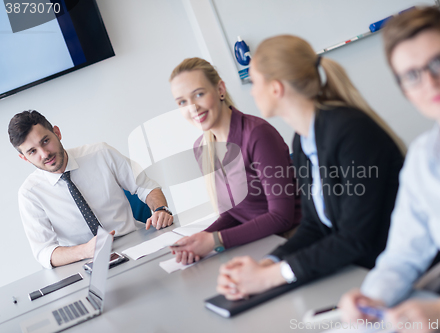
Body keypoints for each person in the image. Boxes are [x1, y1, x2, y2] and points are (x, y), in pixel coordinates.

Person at [339, 7, 440, 331]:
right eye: (412, 75)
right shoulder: (421, 161)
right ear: (404, 89)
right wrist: (372, 298)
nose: (429, 81)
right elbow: (402, 255)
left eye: (439, 62)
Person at [216, 35, 405, 299]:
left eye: (254, 82)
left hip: (397, 277)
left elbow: (355, 239)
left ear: (276, 88)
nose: (251, 91)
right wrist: (267, 264)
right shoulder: (304, 139)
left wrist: (271, 277)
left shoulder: (351, 132)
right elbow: (314, 226)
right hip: (357, 275)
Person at [168, 57, 301, 264]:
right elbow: (236, 213)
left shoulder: (257, 134)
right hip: (255, 242)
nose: (192, 108)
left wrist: (215, 240)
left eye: (199, 94)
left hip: (290, 240)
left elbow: (281, 217)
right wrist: (199, 239)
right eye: (182, 102)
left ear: (220, 89)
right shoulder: (203, 148)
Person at [9, 111, 173, 269]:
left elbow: (145, 186)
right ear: (24, 157)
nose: (44, 154)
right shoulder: (29, 194)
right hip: (84, 263)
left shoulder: (101, 153)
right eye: (32, 151)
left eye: (45, 141)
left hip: (133, 245)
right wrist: (85, 251)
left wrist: (161, 209)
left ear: (57, 132)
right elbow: (44, 252)